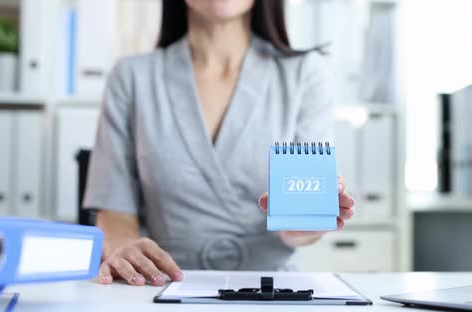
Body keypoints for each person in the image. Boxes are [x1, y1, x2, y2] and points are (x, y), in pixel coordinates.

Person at [83, 0, 356, 287]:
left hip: (274, 292)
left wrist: (306, 220)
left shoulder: (305, 74)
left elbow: (300, 226)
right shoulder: (130, 77)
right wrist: (125, 248)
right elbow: (113, 212)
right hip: (162, 286)